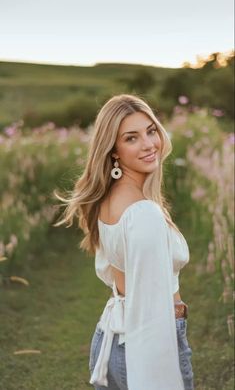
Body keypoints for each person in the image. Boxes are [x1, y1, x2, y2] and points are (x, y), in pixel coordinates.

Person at [54, 94, 194, 390]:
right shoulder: (142, 213)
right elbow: (149, 305)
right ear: (113, 150)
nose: (148, 144)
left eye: (151, 130)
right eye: (131, 138)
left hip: (114, 335)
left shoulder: (112, 198)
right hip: (147, 340)